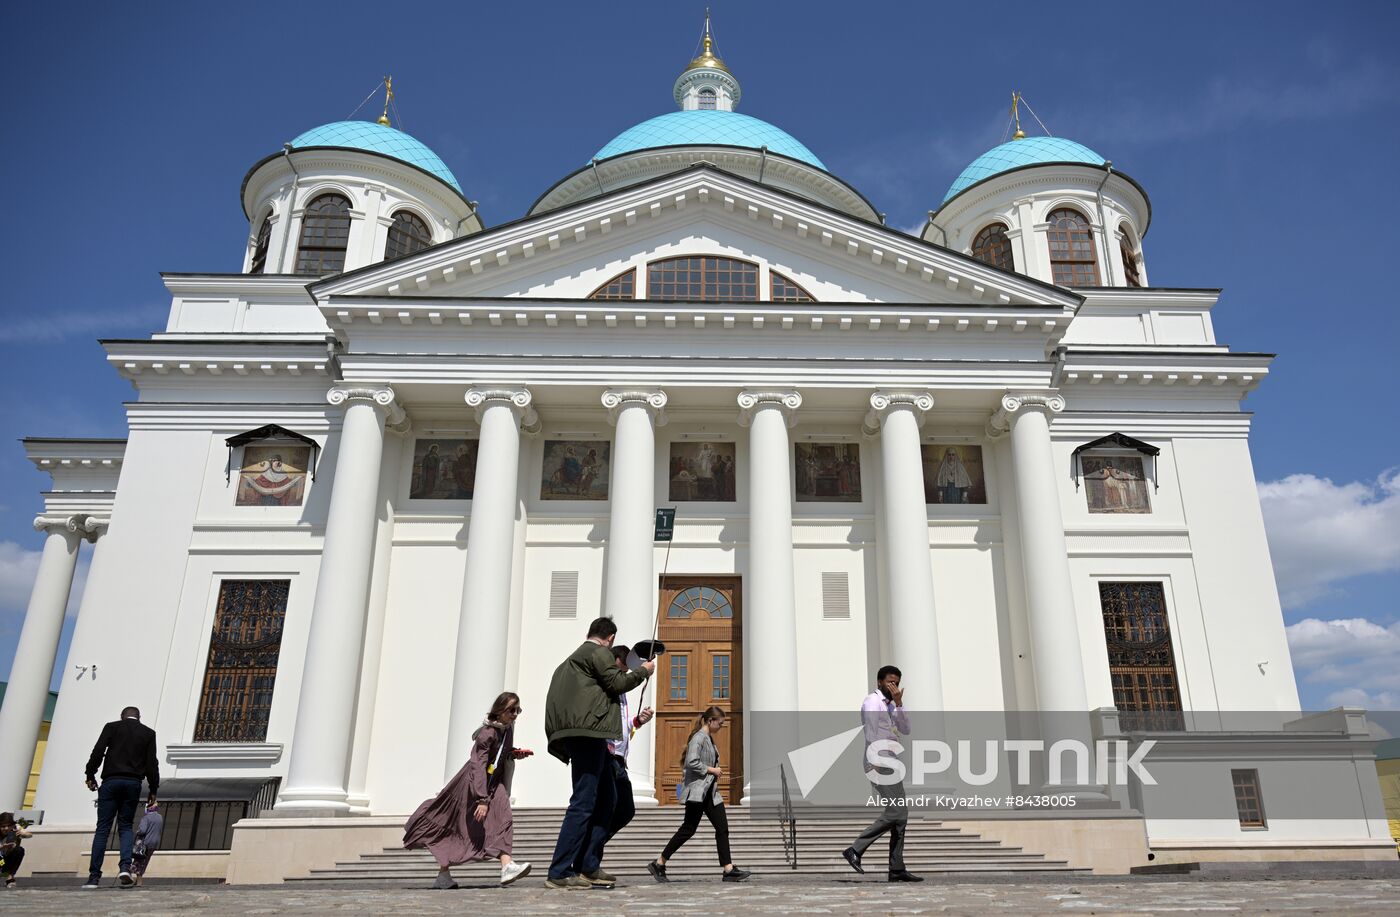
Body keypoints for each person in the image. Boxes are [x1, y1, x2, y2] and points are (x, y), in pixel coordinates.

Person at [543, 617, 654, 890]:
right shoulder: (598, 652)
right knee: (583, 802)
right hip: (588, 735)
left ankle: (588, 865)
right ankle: (559, 871)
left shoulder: (570, 661)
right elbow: (616, 684)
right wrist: (644, 672)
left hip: (584, 735)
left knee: (609, 800)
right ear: (611, 638)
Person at [404, 691, 534, 888]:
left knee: (504, 815)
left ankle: (506, 866)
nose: (515, 714)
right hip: (474, 784)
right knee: (456, 826)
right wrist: (481, 799)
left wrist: (514, 753)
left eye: (518, 710)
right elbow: (478, 766)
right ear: (499, 711)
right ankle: (443, 875)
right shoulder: (486, 734)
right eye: (511, 710)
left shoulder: (508, 728)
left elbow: (498, 756)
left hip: (494, 781)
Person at [648, 706, 750, 883]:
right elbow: (691, 762)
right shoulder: (699, 738)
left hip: (710, 793)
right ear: (710, 721)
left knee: (722, 828)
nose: (721, 726)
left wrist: (714, 772)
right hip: (697, 793)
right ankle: (659, 862)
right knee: (688, 829)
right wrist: (713, 770)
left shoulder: (708, 738)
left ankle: (728, 869)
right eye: (720, 723)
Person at [842, 666, 922, 882]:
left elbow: (906, 729)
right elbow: (871, 730)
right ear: (879, 682)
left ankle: (896, 869)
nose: (893, 686)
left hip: (893, 763)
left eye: (896, 682)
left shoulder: (893, 706)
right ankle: (855, 849)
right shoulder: (872, 701)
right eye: (889, 682)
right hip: (878, 761)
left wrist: (900, 703)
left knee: (901, 816)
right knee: (896, 811)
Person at [582, 644, 655, 873]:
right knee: (606, 809)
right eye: (623, 668)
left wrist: (637, 722)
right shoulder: (607, 685)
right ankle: (589, 861)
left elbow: (621, 727)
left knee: (624, 809)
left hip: (619, 759)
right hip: (607, 756)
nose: (624, 674)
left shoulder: (619, 689)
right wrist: (642, 671)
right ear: (614, 661)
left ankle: (589, 852)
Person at [83, 705, 159, 889]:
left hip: (111, 780)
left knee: (102, 828)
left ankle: (94, 876)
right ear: (139, 717)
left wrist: (90, 774)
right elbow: (151, 763)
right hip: (133, 783)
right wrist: (153, 789)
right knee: (125, 826)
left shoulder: (112, 727)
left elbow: (98, 751)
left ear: (122, 716)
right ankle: (125, 867)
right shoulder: (148, 733)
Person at [130, 802, 163, 887]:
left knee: (139, 861)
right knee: (145, 861)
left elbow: (142, 831)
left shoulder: (146, 818)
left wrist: (137, 832)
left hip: (145, 843)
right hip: (154, 843)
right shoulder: (160, 817)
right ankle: (137, 880)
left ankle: (137, 879)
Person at [1, 811, 32, 888]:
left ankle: (10, 877)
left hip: (7, 860)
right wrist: (2, 847)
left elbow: (30, 834)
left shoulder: (16, 828)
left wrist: (23, 834)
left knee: (19, 850)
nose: (6, 829)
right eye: (3, 826)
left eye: (8, 826)